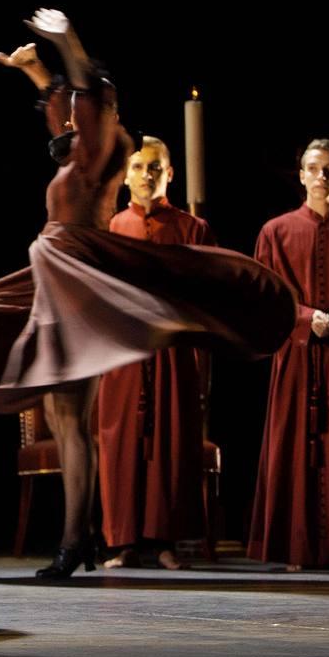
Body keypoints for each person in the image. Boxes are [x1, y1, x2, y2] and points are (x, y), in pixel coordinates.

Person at [0, 13, 296, 578]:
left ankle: (73, 541)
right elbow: (62, 111)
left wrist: (66, 41)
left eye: (85, 113)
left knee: (68, 413)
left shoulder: (104, 146)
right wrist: (33, 70)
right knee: (67, 416)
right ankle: (75, 540)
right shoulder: (79, 147)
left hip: (75, 278)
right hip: (53, 275)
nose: (74, 119)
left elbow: (84, 92)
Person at [98, 136, 214, 570]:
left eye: (156, 167)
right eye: (139, 167)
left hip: (173, 348)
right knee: (122, 442)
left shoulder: (192, 228)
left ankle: (165, 540)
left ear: (170, 173)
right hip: (125, 351)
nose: (147, 175)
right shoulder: (111, 227)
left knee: (171, 440)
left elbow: (209, 290)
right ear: (126, 175)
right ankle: (122, 541)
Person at [248, 138, 329, 570]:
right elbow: (263, 300)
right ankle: (295, 549)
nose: (323, 176)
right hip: (297, 355)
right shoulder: (276, 231)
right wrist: (306, 319)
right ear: (300, 175)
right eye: (315, 168)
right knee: (296, 447)